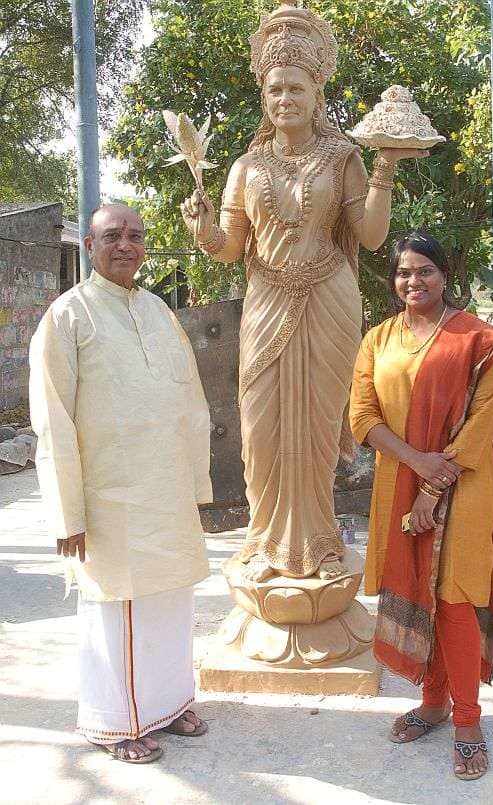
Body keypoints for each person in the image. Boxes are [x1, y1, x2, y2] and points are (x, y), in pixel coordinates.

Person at [180, 0, 426, 582]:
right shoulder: (244, 166)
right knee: (261, 429)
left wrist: (385, 166)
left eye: (295, 88)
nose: (284, 99)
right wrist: (203, 231)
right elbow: (232, 248)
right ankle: (266, 543)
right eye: (274, 91)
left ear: (317, 93)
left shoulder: (343, 158)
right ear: (263, 98)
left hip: (329, 301)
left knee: (317, 427)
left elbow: (368, 238)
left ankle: (319, 542)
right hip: (267, 303)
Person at [29, 204, 212, 764]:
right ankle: (115, 723)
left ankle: (168, 702)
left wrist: (197, 487)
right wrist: (67, 512)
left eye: (135, 236)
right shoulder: (68, 316)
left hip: (166, 493)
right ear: (89, 245)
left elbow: (191, 403)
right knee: (119, 609)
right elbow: (52, 418)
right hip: (108, 501)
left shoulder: (160, 310)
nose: (126, 245)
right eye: (113, 236)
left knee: (171, 602)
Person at [349, 232, 493, 780]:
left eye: (425, 270)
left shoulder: (479, 340)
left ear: (446, 275)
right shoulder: (377, 339)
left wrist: (433, 483)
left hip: (465, 484)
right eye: (403, 272)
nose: (413, 281)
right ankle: (434, 700)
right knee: (416, 587)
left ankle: (467, 720)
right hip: (400, 477)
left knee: (454, 597)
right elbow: (362, 418)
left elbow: (481, 424)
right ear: (393, 281)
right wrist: (417, 465)